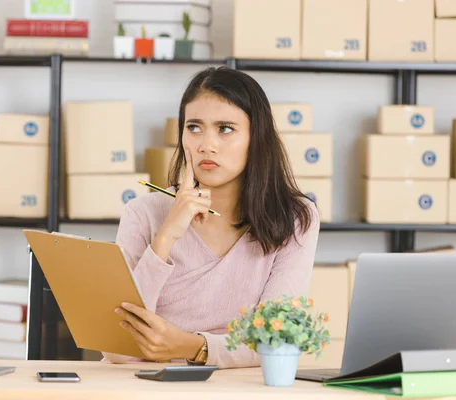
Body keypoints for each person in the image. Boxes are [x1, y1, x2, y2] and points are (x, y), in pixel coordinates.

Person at [104, 66, 320, 369]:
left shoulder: (295, 218)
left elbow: (277, 341)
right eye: (193, 127)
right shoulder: (143, 212)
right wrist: (165, 238)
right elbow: (117, 349)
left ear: (256, 137)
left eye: (225, 128)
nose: (206, 144)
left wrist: (193, 346)